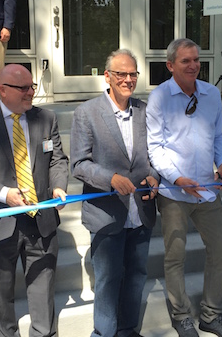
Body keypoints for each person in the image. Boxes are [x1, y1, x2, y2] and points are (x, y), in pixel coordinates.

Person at [0, 64, 69, 336]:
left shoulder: (46, 119)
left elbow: (57, 160)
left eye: (32, 87)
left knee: (43, 301)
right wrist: (4, 194)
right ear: (2, 90)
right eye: (24, 88)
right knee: (1, 302)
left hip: (41, 223)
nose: (31, 92)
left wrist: (58, 187)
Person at [146, 38, 222, 337]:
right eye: (186, 61)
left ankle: (211, 314)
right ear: (171, 65)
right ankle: (182, 315)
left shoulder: (211, 94)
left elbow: (217, 138)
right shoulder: (159, 97)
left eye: (196, 59)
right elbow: (155, 147)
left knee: (221, 250)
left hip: (208, 191)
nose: (193, 65)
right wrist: (176, 179)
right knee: (176, 256)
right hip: (175, 193)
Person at [71, 49, 160, 337]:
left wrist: (155, 176)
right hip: (107, 213)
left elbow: (154, 154)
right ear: (107, 76)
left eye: (133, 73)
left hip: (142, 208)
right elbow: (79, 164)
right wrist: (110, 179)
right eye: (121, 73)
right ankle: (104, 333)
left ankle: (127, 329)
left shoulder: (144, 111)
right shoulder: (87, 112)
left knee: (136, 275)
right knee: (109, 279)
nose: (128, 79)